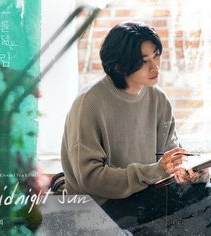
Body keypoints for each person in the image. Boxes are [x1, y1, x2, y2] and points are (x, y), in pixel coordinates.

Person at [61, 22, 209, 228]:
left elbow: (169, 159)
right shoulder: (90, 103)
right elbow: (90, 179)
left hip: (146, 195)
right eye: (143, 61)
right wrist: (154, 171)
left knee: (204, 196)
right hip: (100, 208)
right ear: (119, 66)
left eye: (156, 55)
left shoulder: (159, 100)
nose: (155, 66)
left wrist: (189, 171)